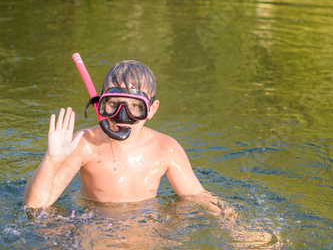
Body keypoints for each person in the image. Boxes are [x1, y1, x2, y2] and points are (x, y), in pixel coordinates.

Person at [23, 59, 228, 215]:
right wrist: (52, 159)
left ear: (152, 109)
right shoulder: (85, 144)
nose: (122, 116)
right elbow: (35, 206)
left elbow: (197, 196)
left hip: (143, 230)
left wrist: (236, 225)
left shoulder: (166, 149)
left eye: (135, 107)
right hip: (95, 225)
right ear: (99, 104)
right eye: (114, 104)